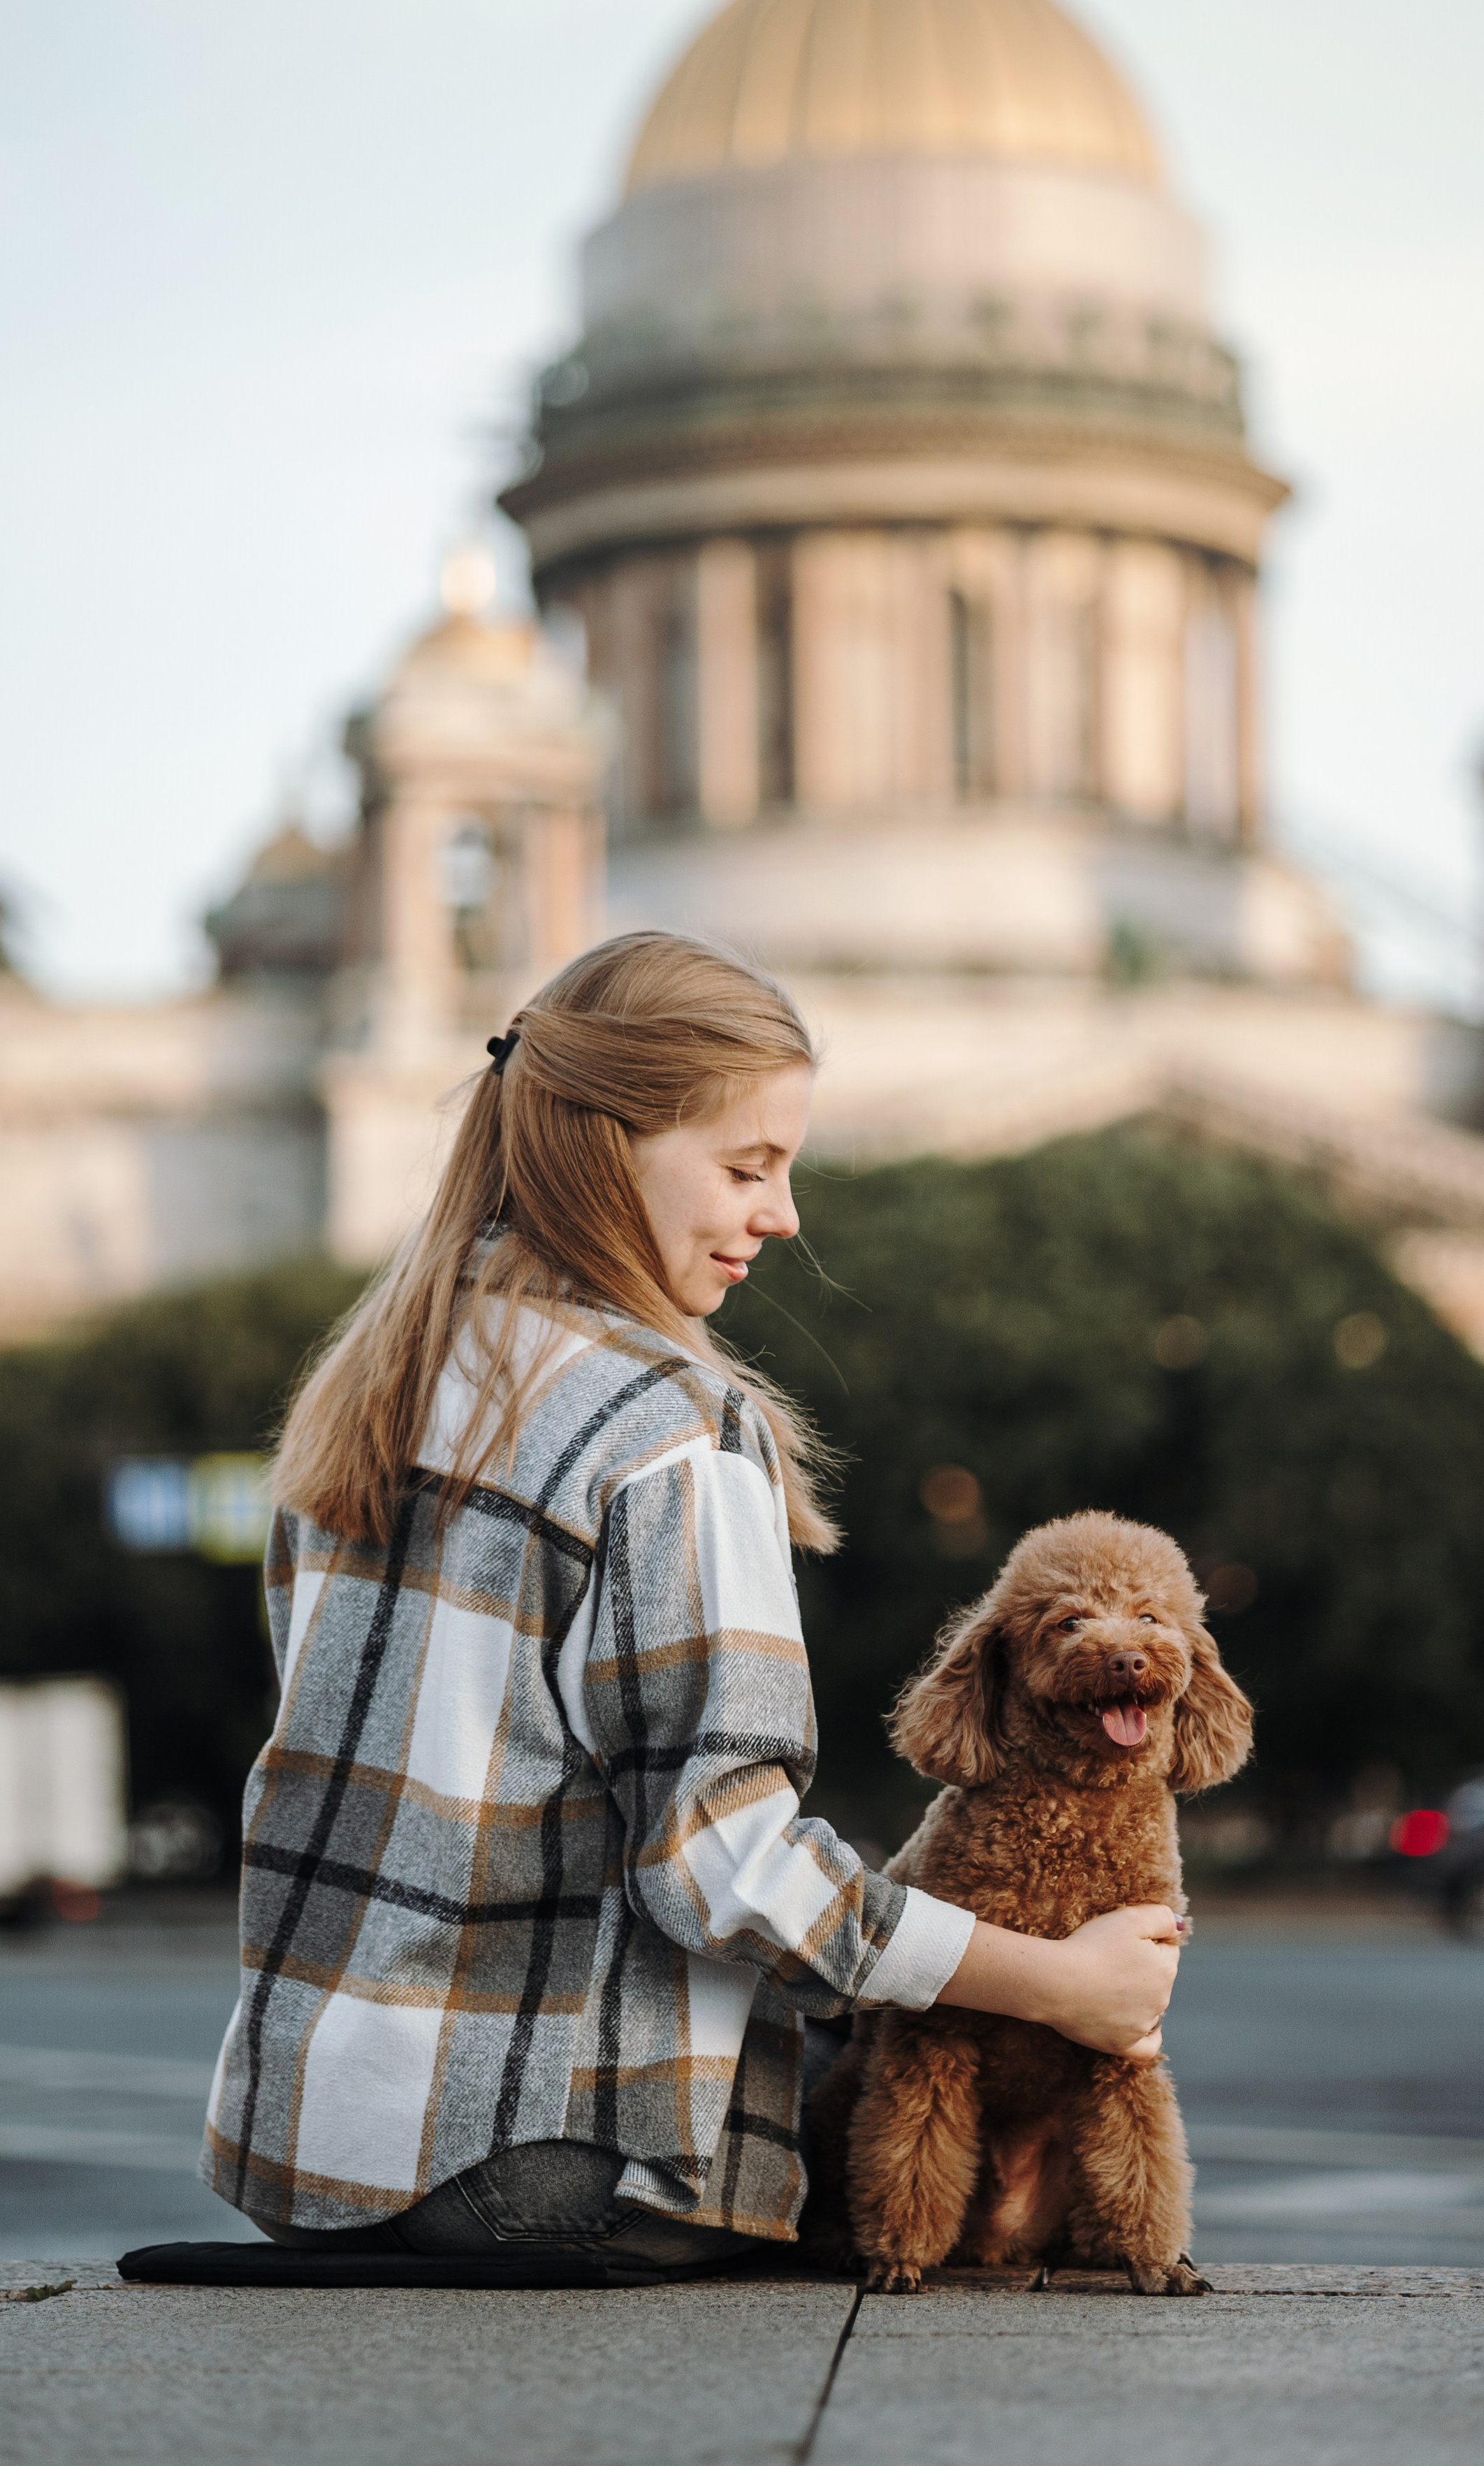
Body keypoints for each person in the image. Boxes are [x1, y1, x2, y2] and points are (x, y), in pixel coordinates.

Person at [201, 931, 1181, 2282]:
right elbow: (724, 1867)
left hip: (308, 2149)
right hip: (537, 2162)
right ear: (608, 1148)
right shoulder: (673, 1428)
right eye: (746, 1166)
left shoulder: (373, 1386)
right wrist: (1060, 1980)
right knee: (934, 2049)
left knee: (872, 2011)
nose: (781, 1215)